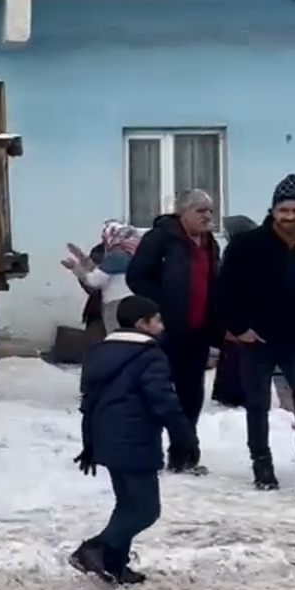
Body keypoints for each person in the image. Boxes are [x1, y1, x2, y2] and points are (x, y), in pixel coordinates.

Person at [217, 174, 295, 504]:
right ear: (273, 212)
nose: (290, 217)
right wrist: (239, 327)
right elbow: (225, 290)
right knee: (257, 404)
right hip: (256, 339)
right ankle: (262, 464)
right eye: (284, 210)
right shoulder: (246, 245)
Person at [70, 295, 197, 586]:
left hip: (106, 437)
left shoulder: (98, 352)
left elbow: (89, 401)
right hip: (136, 439)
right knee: (146, 511)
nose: (162, 326)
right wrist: (185, 436)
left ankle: (115, 564)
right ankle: (94, 548)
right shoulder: (150, 356)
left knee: (127, 505)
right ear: (142, 324)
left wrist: (90, 443)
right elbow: (163, 401)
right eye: (157, 320)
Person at [125, 190, 220, 474]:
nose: (207, 216)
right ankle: (147, 451)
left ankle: (184, 454)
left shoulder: (210, 243)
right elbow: (136, 277)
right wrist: (164, 303)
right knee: (158, 393)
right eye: (200, 210)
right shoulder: (160, 238)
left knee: (191, 394)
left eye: (210, 210)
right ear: (183, 213)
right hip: (166, 330)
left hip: (198, 330)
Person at [210, 214, 260, 409]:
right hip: (239, 314)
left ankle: (232, 395)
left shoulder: (243, 252)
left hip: (242, 313)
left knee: (236, 356)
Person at [82, 221, 141, 332]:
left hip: (115, 302)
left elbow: (95, 281)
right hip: (135, 300)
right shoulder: (136, 253)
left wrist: (78, 270)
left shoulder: (117, 255)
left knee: (116, 334)